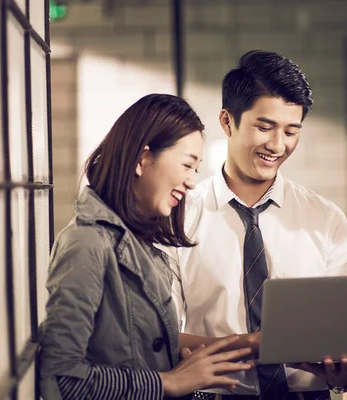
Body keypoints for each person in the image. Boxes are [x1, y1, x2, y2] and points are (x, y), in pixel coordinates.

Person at [167, 50, 347, 400]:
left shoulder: (326, 220)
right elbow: (160, 334)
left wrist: (342, 375)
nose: (278, 145)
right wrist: (253, 346)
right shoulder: (179, 217)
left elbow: (342, 335)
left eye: (291, 131)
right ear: (227, 122)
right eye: (264, 127)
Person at [39, 94, 254, 400]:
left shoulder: (138, 241)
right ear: (143, 159)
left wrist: (255, 346)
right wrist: (168, 382)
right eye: (187, 165)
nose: (193, 181)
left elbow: (139, 344)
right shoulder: (87, 244)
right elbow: (61, 377)